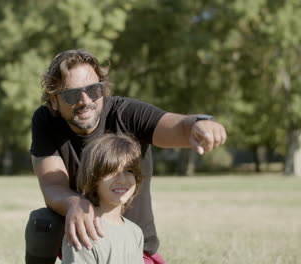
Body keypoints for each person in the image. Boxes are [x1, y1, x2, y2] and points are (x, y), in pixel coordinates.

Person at [25, 49, 227, 264]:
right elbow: (52, 185)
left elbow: (176, 126)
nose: (85, 101)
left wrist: (200, 123)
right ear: (54, 101)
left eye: (94, 90)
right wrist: (76, 204)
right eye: (72, 95)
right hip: (84, 237)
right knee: (43, 223)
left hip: (136, 248)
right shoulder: (46, 120)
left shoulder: (127, 113)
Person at [61, 133, 145, 263]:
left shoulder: (135, 232)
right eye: (111, 171)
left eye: (129, 171)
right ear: (93, 179)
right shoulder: (83, 232)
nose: (122, 180)